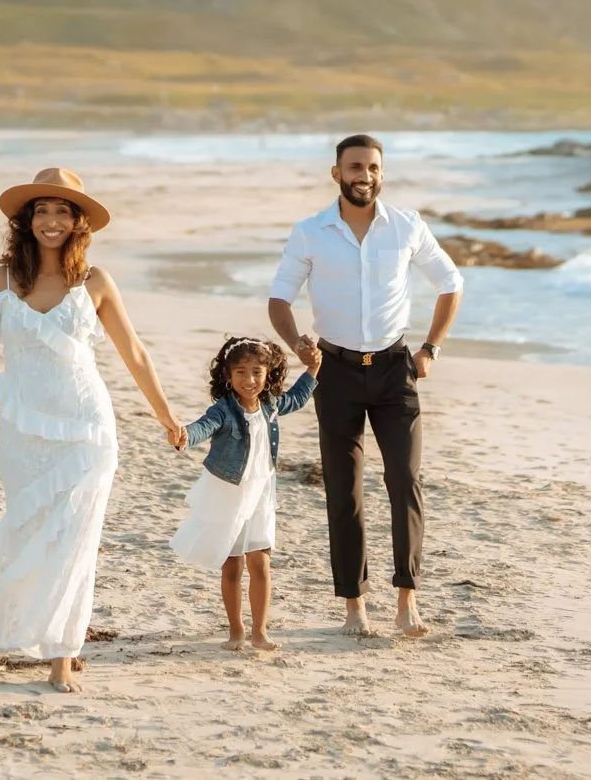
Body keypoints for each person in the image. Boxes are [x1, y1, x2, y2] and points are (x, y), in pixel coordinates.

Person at [0, 167, 185, 692]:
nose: (52, 221)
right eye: (42, 212)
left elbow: (134, 352)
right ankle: (36, 633)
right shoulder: (0, 280)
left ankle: (63, 656)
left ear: (78, 223)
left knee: (76, 539)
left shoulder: (95, 282)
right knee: (32, 533)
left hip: (87, 432)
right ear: (27, 222)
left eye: (62, 212)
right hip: (24, 434)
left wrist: (166, 415)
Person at [267, 133, 463, 637]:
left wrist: (431, 348)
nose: (365, 175)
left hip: (397, 370)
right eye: (355, 167)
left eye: (373, 167)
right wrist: (298, 346)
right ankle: (354, 606)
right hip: (334, 372)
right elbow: (279, 300)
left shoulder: (406, 226)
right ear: (336, 173)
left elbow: (450, 282)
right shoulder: (310, 232)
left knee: (405, 480)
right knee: (344, 491)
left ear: (381, 172)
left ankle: (406, 600)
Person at [169, 336, 320, 652]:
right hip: (230, 493)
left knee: (261, 563)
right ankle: (236, 631)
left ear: (268, 375)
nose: (249, 380)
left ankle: (259, 631)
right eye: (241, 372)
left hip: (262, 493)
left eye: (256, 372)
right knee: (233, 565)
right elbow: (201, 428)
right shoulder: (223, 410)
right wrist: (184, 436)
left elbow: (297, 397)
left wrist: (312, 369)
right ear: (227, 375)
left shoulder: (271, 405)